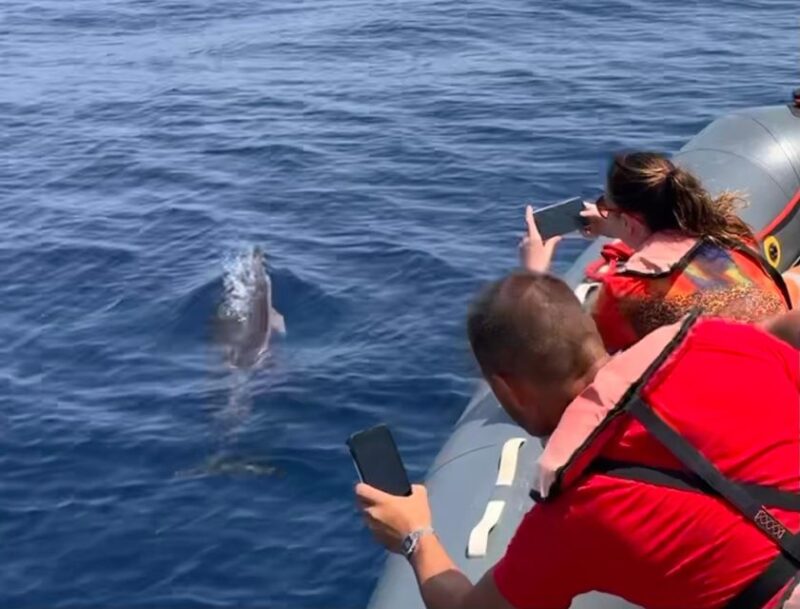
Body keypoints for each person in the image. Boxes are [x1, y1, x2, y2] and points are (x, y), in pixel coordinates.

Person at [355, 271, 800, 609]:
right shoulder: (725, 341)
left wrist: (414, 536)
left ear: (507, 389)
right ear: (591, 332)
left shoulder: (573, 516)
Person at [520, 151, 793, 353]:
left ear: (630, 220)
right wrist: (616, 223)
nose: (601, 209)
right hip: (787, 364)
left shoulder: (630, 291)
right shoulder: (731, 232)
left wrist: (534, 275)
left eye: (606, 205)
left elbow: (571, 351)